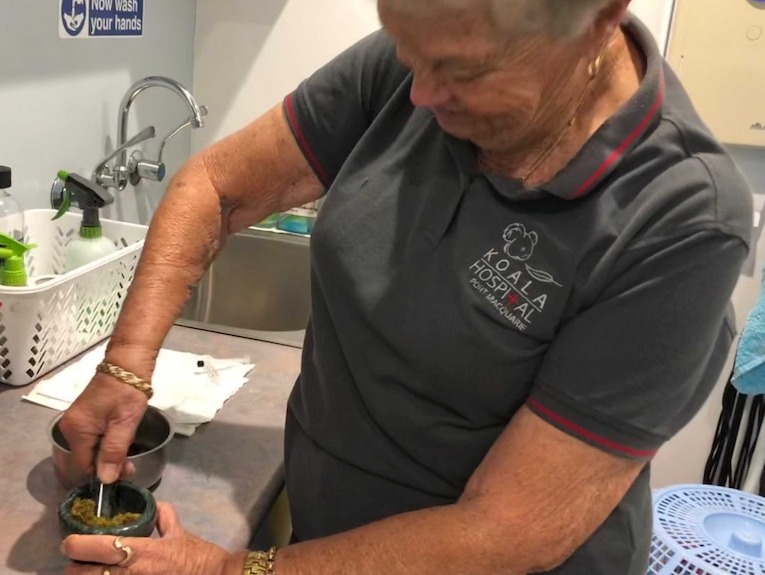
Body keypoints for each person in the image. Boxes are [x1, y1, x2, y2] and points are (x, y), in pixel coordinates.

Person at [58, 0, 753, 573]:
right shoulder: (416, 64)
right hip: (330, 543)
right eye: (406, 48)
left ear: (601, 17)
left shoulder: (682, 215)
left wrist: (230, 569)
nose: (419, 94)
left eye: (464, 70)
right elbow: (216, 187)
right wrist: (126, 365)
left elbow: (507, 529)